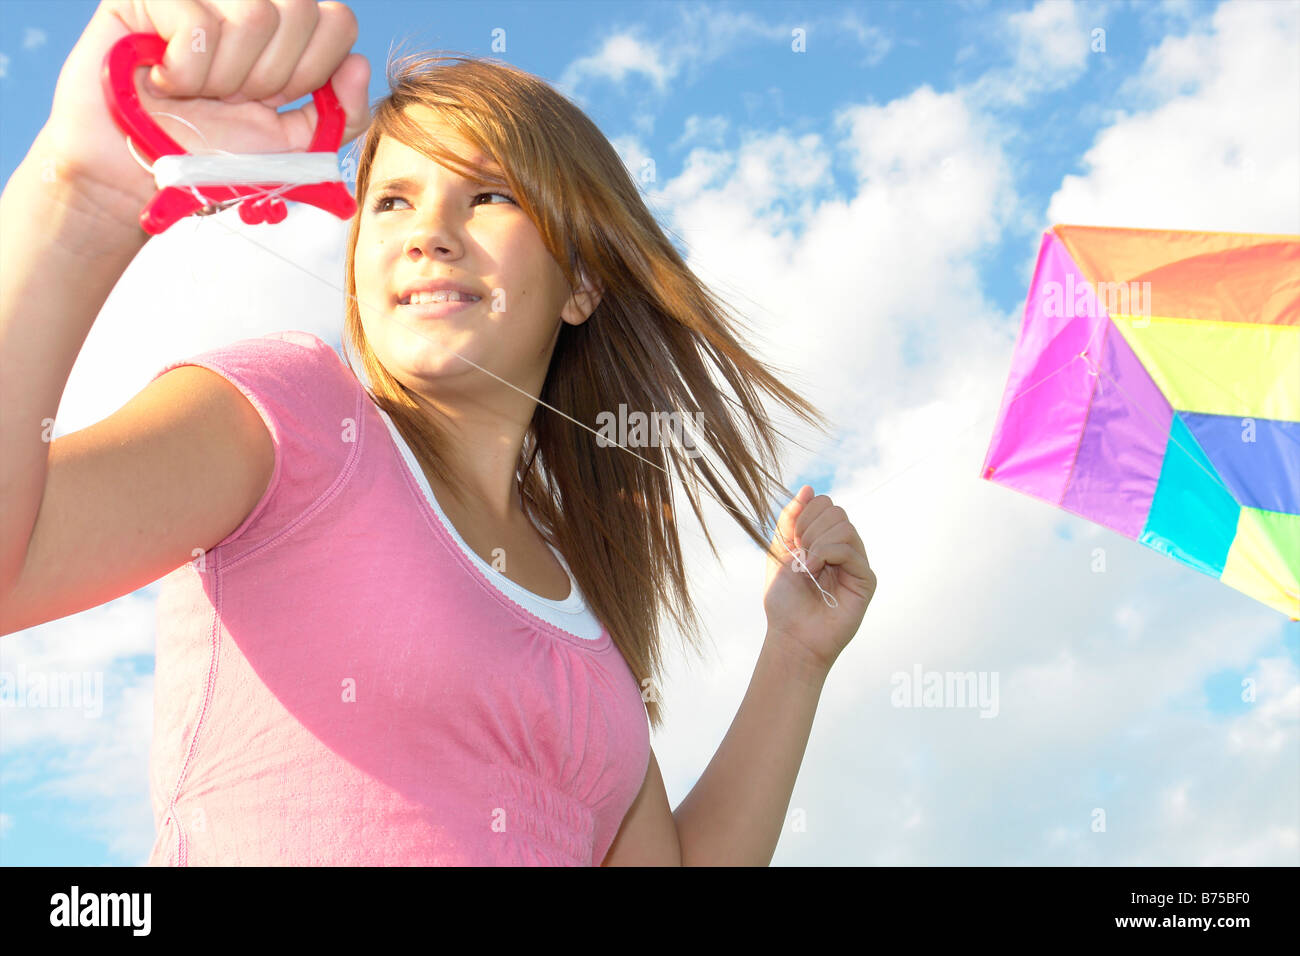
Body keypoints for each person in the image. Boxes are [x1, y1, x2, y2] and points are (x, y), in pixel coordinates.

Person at [0, 0, 877, 866]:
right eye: (391, 201)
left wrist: (795, 655)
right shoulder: (291, 411)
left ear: (580, 284)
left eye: (487, 194)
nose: (427, 234)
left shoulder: (583, 606)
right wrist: (79, 202)